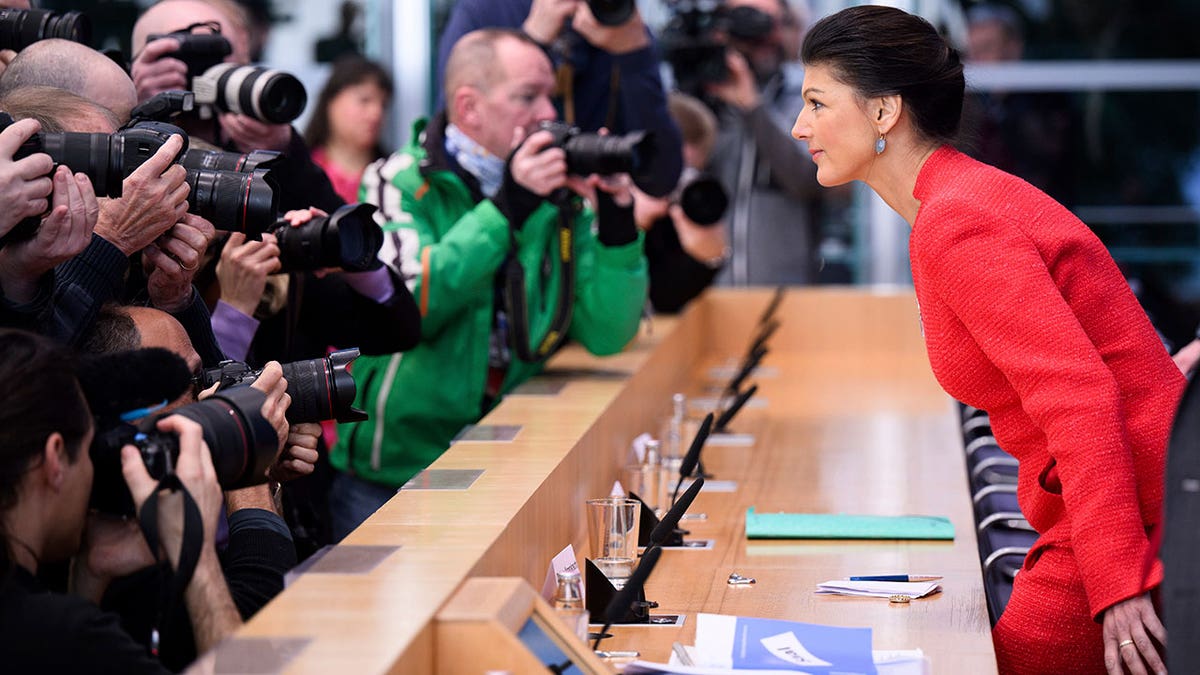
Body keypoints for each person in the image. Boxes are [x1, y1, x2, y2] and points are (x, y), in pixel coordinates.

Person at [791, 6, 1182, 675]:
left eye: (817, 103)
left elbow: (1080, 398)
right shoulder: (953, 201)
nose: (801, 127)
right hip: (1119, 502)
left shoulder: (956, 220)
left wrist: (1118, 581)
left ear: (884, 112)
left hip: (1138, 519)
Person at [333, 28, 648, 540]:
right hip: (396, 474)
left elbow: (608, 334)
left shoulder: (554, 191)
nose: (547, 112)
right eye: (527, 96)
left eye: (550, 93)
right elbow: (408, 305)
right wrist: (507, 209)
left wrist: (615, 224)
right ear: (469, 107)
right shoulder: (400, 180)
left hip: (512, 462)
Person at [0, 329, 241, 672]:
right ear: (55, 458)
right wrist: (197, 556)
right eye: (88, 451)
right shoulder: (58, 632)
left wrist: (89, 578)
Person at [435, 0, 683, 197]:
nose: (548, 114)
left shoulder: (620, 22)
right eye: (529, 96)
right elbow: (452, 141)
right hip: (507, 223)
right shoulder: (490, 10)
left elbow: (661, 177)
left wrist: (634, 55)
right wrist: (532, 40)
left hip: (589, 235)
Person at [699, 0, 825, 286]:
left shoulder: (804, 95)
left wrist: (754, 108)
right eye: (746, 19)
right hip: (706, 297)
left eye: (773, 21)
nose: (763, 34)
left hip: (785, 297)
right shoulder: (701, 97)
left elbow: (808, 178)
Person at [635, 92, 729, 313]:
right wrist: (631, 227)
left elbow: (668, 299)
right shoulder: (609, 194)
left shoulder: (685, 207)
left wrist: (706, 258)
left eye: (690, 171)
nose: (677, 183)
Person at [304, 56, 393, 205]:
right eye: (364, 100)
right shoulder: (301, 171)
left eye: (383, 105)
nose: (376, 114)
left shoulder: (392, 174)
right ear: (331, 103)